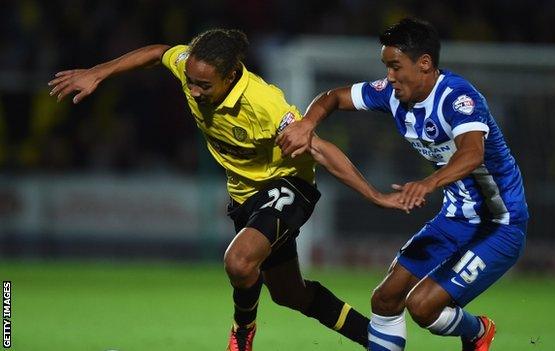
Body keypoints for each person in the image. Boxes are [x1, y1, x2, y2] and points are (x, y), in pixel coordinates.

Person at [48, 29, 408, 350]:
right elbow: (159, 52)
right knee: (289, 294)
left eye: (203, 85)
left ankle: (241, 333)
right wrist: (98, 72)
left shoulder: (263, 104)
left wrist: (374, 195)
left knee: (238, 261)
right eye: (190, 81)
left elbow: (317, 146)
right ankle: (378, 340)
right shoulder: (193, 65)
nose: (193, 90)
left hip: (287, 185)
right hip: (244, 196)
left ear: (231, 75)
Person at [277, 18, 529, 351]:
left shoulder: (458, 98)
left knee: (423, 306)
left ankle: (478, 330)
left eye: (395, 67)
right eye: (386, 67)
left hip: (499, 224)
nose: (389, 76)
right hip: (455, 218)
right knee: (385, 298)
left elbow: (472, 154)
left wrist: (429, 183)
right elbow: (333, 97)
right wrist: (308, 123)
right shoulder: (393, 95)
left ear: (424, 64)